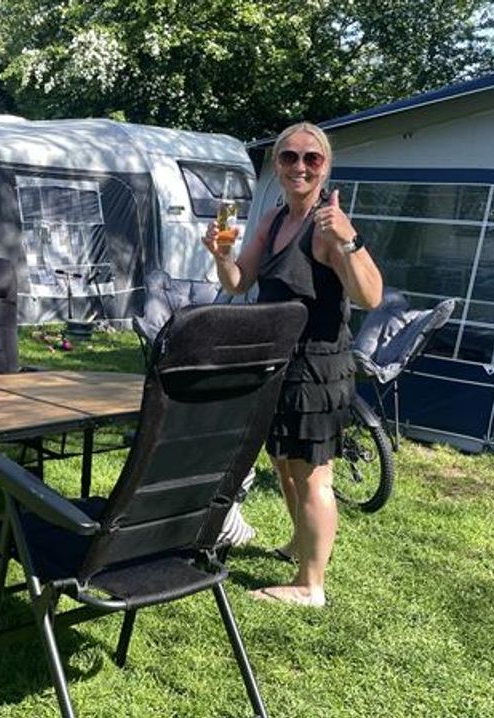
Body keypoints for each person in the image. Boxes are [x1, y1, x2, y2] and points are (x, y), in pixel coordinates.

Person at [202, 122, 383, 608]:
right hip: (279, 360)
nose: (299, 166)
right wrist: (223, 256)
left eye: (312, 158)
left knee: (312, 474)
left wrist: (350, 239)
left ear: (325, 167)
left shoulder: (328, 227)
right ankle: (300, 546)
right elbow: (240, 283)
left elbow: (369, 295)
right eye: (288, 158)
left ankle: (311, 585)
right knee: (284, 464)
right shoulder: (274, 219)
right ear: (277, 166)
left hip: (317, 368)